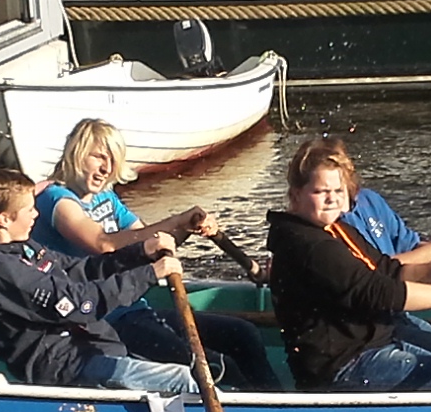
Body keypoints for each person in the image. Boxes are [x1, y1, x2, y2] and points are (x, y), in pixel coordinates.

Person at [30, 117, 282, 389]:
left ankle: (283, 410)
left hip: (134, 309)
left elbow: (150, 244)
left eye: (113, 161)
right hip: (100, 321)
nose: (106, 169)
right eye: (99, 157)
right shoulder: (56, 200)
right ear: (76, 152)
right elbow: (103, 244)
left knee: (242, 334)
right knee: (216, 368)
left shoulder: (105, 197)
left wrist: (188, 227)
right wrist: (176, 219)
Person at [266, 138, 431, 391]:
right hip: (342, 366)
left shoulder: (335, 229)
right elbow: (381, 293)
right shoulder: (309, 246)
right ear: (296, 195)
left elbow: (389, 270)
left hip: (376, 340)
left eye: (338, 191)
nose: (332, 199)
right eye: (321, 192)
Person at [0, 167, 199, 397]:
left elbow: (81, 269)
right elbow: (78, 304)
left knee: (184, 366)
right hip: (64, 367)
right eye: (29, 210)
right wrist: (149, 274)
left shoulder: (23, 248)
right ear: (4, 219)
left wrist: (140, 252)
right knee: (181, 380)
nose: (36, 214)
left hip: (92, 349)